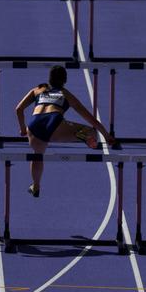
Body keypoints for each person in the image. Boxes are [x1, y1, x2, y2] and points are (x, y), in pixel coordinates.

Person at [15, 65, 114, 197]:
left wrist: (23, 129)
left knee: (37, 155)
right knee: (92, 132)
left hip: (33, 127)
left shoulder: (38, 90)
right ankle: (83, 135)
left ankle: (36, 185)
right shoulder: (65, 94)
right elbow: (89, 118)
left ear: (49, 79)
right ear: (64, 80)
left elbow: (18, 109)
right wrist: (106, 135)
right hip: (54, 123)